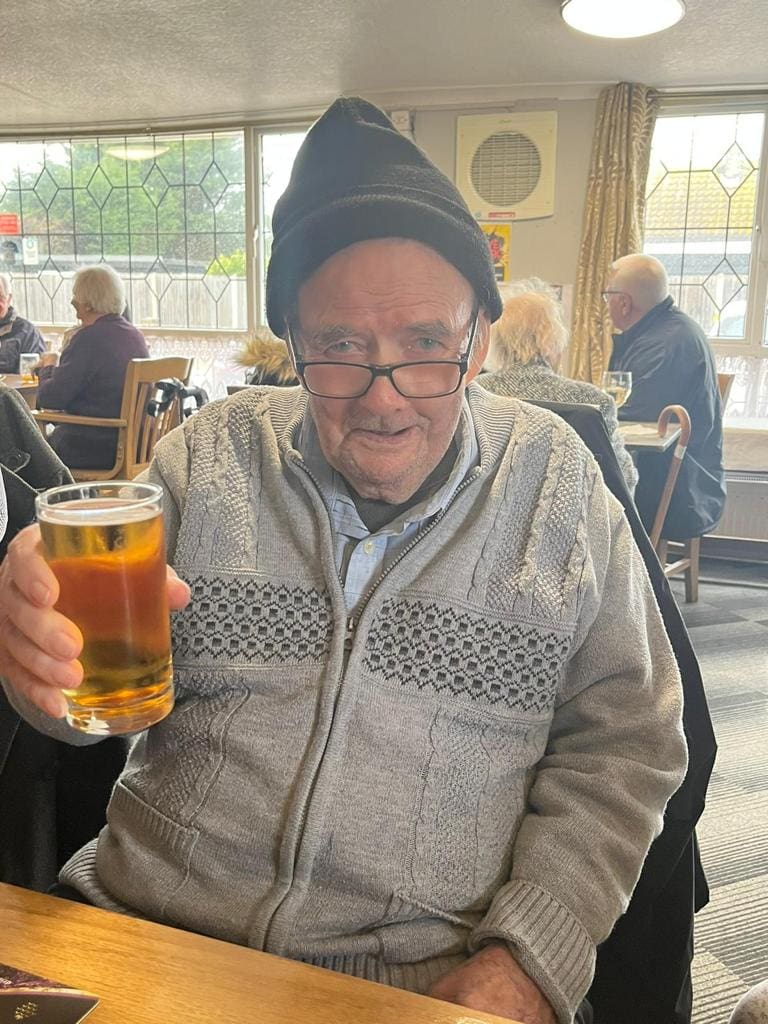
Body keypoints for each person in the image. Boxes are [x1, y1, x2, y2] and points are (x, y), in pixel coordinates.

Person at [0, 99, 687, 1024]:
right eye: (340, 350)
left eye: (426, 347)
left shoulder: (557, 484)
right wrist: (37, 656)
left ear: (477, 342)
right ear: (294, 346)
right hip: (144, 939)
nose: (385, 397)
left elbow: (628, 744)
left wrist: (526, 962)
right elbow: (85, 720)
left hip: (415, 985)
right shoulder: (208, 459)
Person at [605, 254, 726, 540]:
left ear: (624, 302)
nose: (606, 304)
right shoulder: (665, 330)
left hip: (680, 492)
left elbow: (631, 420)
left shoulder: (665, 345)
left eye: (607, 296)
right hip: (684, 478)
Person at [479, 281, 638, 493]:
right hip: (572, 522)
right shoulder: (593, 400)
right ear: (551, 340)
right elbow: (624, 483)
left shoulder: (474, 393)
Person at [35, 265, 149, 470]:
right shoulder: (134, 336)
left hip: (93, 446)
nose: (73, 303)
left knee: (23, 453)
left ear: (87, 304)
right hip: (136, 445)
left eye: (75, 297)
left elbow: (50, 399)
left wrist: (48, 365)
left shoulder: (89, 339)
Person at [0, 273, 45, 373]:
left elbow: (35, 373)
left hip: (13, 388)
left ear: (9, 299)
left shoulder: (27, 332)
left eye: (0, 297)